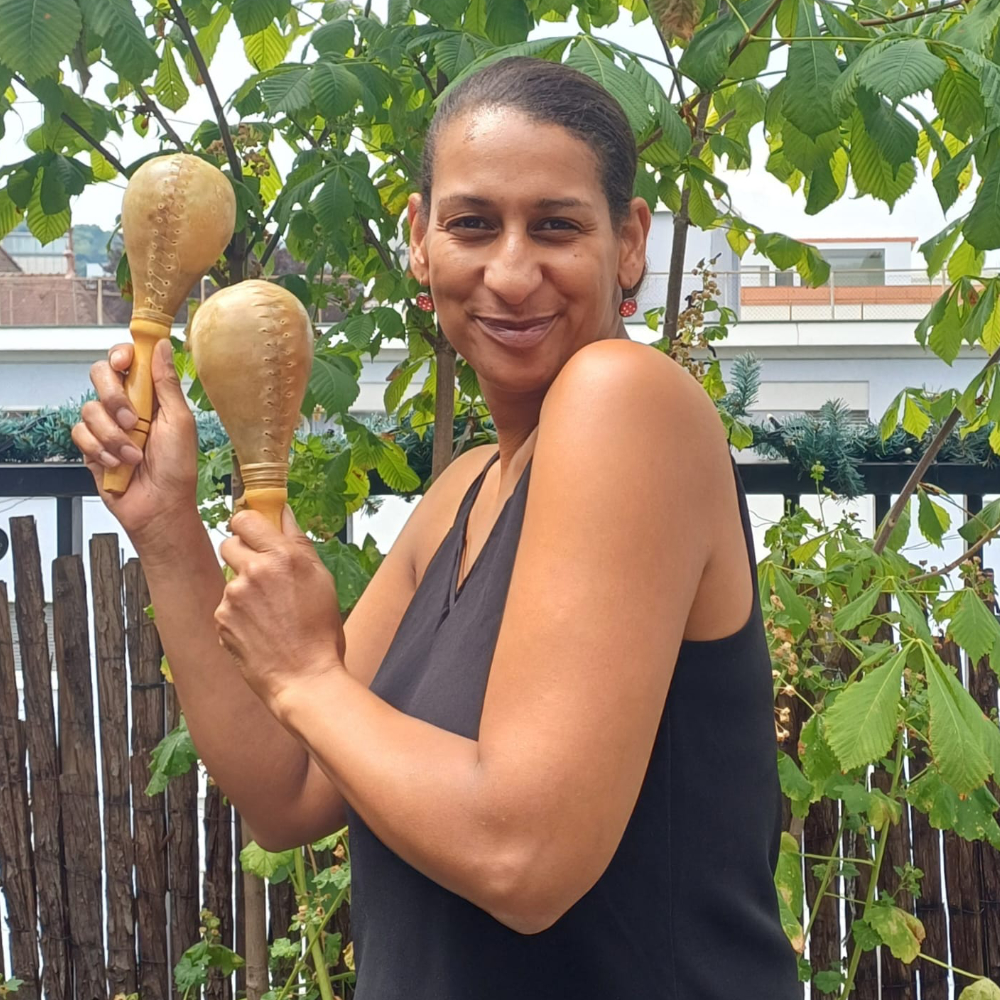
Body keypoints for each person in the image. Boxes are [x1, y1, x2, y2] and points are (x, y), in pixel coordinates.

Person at [74, 56, 800, 1000]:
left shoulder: (624, 398)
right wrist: (167, 525)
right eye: (472, 224)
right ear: (419, 241)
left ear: (629, 244)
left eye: (556, 226)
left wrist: (304, 674)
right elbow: (289, 791)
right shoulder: (463, 490)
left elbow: (522, 857)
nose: (511, 272)